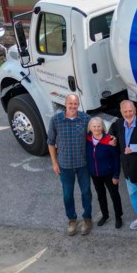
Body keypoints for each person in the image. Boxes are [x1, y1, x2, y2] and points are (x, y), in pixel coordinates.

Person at [107, 99, 137, 238]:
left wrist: (134, 149)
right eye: (125, 111)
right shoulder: (118, 123)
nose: (128, 114)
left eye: (130, 111)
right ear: (121, 112)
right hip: (128, 170)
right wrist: (113, 139)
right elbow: (113, 133)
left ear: (135, 111)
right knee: (134, 196)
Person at [47, 93, 92, 236]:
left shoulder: (85, 119)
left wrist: (111, 141)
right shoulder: (56, 120)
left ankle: (87, 218)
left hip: (83, 164)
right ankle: (72, 219)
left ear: (78, 105)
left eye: (75, 104)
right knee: (67, 194)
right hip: (65, 165)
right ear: (65, 104)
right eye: (70, 103)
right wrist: (54, 162)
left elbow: (96, 135)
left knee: (86, 192)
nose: (73, 106)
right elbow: (51, 142)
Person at [86, 116, 123, 229]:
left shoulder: (109, 140)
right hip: (95, 174)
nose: (96, 129)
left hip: (109, 174)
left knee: (114, 196)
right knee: (101, 196)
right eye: (94, 126)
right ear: (90, 128)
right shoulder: (87, 139)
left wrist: (116, 175)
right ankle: (105, 215)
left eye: (99, 126)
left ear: (102, 127)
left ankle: (118, 217)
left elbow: (116, 159)